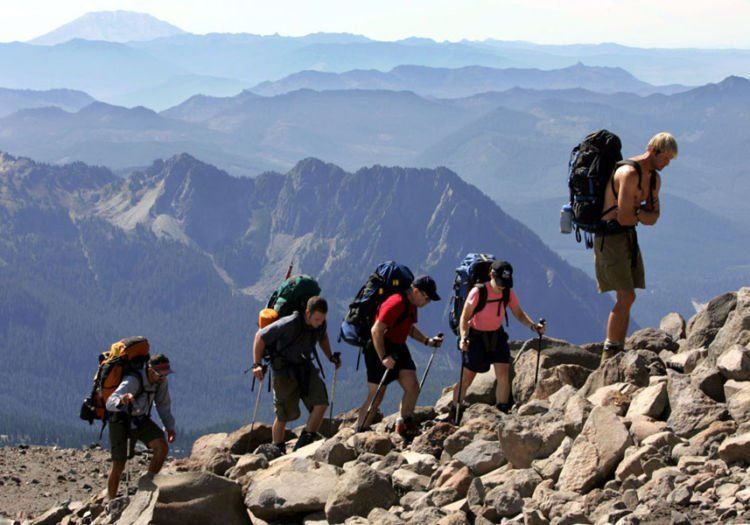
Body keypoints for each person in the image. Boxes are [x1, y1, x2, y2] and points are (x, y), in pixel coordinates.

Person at [596, 132, 678, 361]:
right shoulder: (629, 174)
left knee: (628, 296)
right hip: (610, 237)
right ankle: (610, 351)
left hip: (627, 237)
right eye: (665, 158)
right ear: (653, 151)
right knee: (626, 295)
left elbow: (653, 217)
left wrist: (637, 213)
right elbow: (624, 216)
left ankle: (617, 348)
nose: (667, 164)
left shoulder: (653, 179)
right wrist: (641, 214)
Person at [450, 260, 545, 419]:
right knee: (467, 378)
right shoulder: (478, 292)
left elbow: (519, 314)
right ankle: (455, 411)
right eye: (500, 282)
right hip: (476, 337)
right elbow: (465, 317)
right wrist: (464, 338)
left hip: (497, 336)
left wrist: (534, 327)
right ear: (491, 275)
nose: (502, 286)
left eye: (506, 282)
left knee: (503, 374)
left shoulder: (507, 292)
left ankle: (502, 411)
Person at [356, 275, 444, 437]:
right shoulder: (396, 302)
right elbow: (376, 330)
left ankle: (404, 423)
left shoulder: (411, 304)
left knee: (412, 386)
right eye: (427, 298)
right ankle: (359, 432)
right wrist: (383, 357)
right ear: (416, 291)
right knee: (377, 395)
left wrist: (427, 341)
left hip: (398, 346)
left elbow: (408, 327)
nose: (428, 302)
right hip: (379, 346)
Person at [251, 296, 341, 453]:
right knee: (283, 414)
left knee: (321, 403)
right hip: (283, 370)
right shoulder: (290, 323)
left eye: (322, 319)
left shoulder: (320, 324)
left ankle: (306, 440)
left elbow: (323, 336)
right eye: (317, 319)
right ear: (307, 312)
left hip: (304, 366)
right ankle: (277, 448)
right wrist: (257, 364)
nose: (320, 323)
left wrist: (330, 356)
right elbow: (260, 336)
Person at [105, 353, 176, 500]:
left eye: (165, 374)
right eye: (159, 374)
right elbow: (110, 402)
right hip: (121, 420)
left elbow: (163, 405)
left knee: (161, 447)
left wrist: (169, 427)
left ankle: (147, 486)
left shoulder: (161, 382)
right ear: (150, 369)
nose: (162, 378)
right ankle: (111, 501)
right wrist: (122, 400)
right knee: (119, 464)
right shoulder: (133, 380)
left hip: (140, 419)